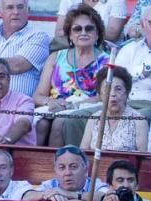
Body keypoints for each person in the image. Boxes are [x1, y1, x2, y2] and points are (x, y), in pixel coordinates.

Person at [32, 5, 109, 147]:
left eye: (89, 28)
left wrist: (71, 105)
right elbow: (38, 96)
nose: (83, 32)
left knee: (60, 123)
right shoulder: (55, 57)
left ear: (97, 33)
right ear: (70, 35)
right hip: (55, 107)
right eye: (77, 29)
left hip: (85, 108)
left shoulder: (107, 61)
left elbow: (103, 97)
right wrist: (50, 102)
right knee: (41, 123)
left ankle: (58, 165)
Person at [0, 0, 49, 96]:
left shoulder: (38, 36)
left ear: (28, 11)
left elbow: (18, 65)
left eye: (20, 7)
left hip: (17, 106)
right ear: (0, 12)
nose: (16, 12)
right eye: (10, 7)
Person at [80, 65, 150, 152]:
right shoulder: (94, 119)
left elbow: (144, 158)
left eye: (118, 89)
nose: (113, 94)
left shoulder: (138, 120)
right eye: (107, 89)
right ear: (100, 94)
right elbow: (84, 153)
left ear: (126, 92)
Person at [0, 57, 35, 147]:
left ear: (9, 79)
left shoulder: (23, 100)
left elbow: (23, 124)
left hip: (14, 157)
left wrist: (6, 140)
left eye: (1, 76)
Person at [22, 146, 108, 201]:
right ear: (55, 170)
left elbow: (105, 197)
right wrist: (45, 194)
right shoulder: (51, 185)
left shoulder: (94, 184)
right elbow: (26, 198)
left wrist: (67, 194)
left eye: (73, 167)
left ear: (85, 170)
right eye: (62, 167)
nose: (67, 173)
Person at [54, 0, 126, 48]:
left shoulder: (116, 1)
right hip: (71, 46)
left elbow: (112, 34)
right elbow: (59, 31)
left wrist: (78, 33)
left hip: (104, 50)